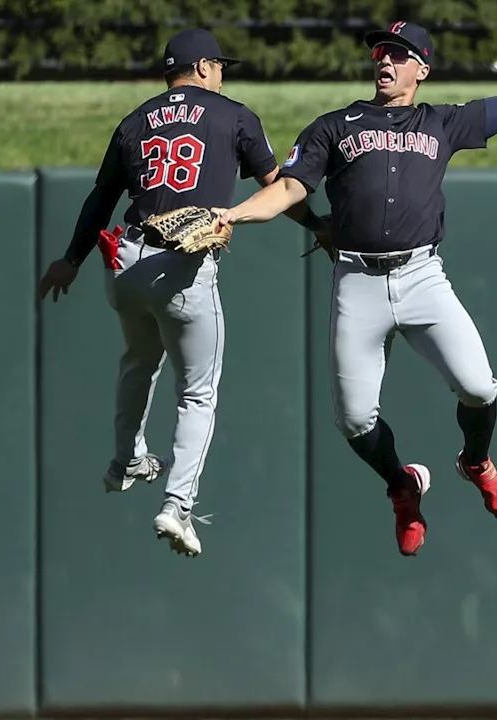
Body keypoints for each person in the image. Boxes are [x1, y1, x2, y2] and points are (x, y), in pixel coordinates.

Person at [209, 15, 497, 556]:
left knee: (480, 388)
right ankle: (401, 485)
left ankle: (476, 463)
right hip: (358, 281)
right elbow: (290, 187)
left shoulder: (443, 122)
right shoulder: (334, 126)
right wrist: (237, 214)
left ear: (422, 69)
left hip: (420, 276)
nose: (385, 60)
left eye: (399, 53)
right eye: (380, 52)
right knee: (353, 420)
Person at [37, 28, 328, 557]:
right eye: (218, 65)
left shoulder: (133, 122)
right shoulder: (233, 115)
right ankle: (177, 505)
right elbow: (278, 186)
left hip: (125, 260)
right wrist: (320, 228)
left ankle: (126, 458)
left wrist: (69, 261)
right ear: (200, 68)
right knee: (197, 391)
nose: (221, 74)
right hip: (182, 267)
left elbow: (99, 200)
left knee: (139, 360)